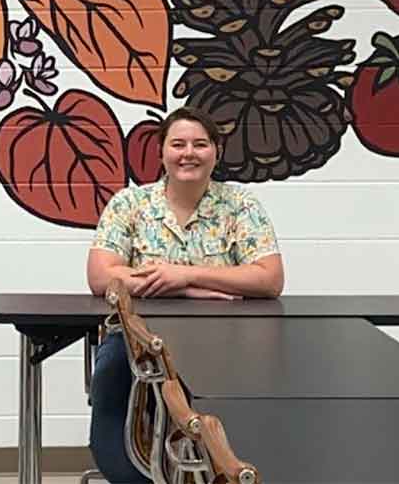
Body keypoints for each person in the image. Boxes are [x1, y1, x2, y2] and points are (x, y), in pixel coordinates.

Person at [83, 104, 284, 482]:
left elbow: (269, 278)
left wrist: (184, 273)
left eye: (200, 144)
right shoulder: (130, 204)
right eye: (178, 144)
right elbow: (101, 276)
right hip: (136, 339)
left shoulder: (241, 206)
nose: (188, 153)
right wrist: (189, 289)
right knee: (112, 376)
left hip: (225, 339)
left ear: (216, 152)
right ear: (161, 152)